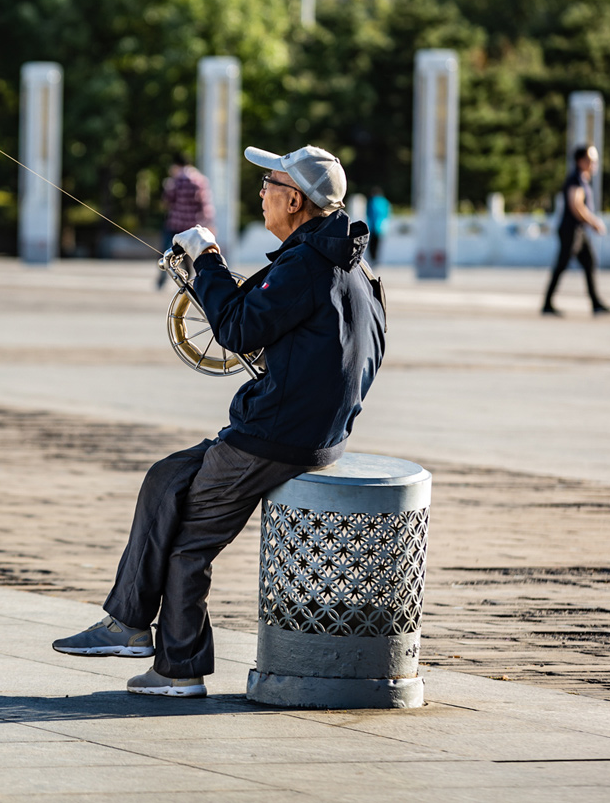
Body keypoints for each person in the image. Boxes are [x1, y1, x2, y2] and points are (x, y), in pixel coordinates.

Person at [54, 144, 386, 697]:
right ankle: (129, 623)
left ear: (295, 200)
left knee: (187, 540)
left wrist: (205, 259)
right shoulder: (353, 263)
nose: (261, 193)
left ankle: (176, 668)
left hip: (277, 437)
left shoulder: (306, 263)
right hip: (316, 434)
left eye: (269, 184)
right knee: (167, 476)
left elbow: (234, 330)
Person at [542, 145, 610, 316]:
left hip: (578, 230)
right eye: (591, 160)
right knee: (562, 265)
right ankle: (547, 304)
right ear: (581, 161)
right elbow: (576, 205)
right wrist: (593, 222)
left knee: (589, 262)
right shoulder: (576, 180)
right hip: (571, 230)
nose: (594, 163)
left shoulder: (581, 179)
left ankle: (595, 302)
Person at [156, 153, 214, 288]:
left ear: (176, 165)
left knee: (167, 253)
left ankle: (162, 280)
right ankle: (191, 280)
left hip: (175, 223)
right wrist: (209, 223)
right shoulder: (200, 180)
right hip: (192, 226)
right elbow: (205, 205)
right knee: (190, 255)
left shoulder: (175, 181)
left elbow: (166, 201)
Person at [366, 187, 391, 263]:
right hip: (382, 227)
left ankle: (373, 259)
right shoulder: (385, 202)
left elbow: (369, 213)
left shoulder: (373, 201)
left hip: (373, 226)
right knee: (378, 244)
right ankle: (376, 259)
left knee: (371, 245)